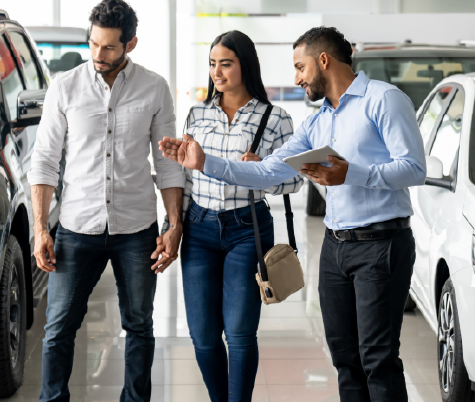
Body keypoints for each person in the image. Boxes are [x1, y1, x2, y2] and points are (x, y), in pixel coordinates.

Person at [159, 27, 427, 402]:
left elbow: (414, 168)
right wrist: (206, 163)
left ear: (323, 61)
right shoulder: (320, 121)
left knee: (377, 359)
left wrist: (352, 173)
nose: (297, 78)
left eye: (300, 67)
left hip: (381, 243)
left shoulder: (383, 100)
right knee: (345, 359)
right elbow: (270, 171)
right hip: (336, 247)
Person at [27, 0, 185, 401]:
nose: (98, 55)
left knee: (139, 325)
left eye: (109, 47)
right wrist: (40, 228)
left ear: (130, 44)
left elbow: (167, 164)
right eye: (93, 44)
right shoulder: (65, 87)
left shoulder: (154, 88)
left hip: (136, 228)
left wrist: (173, 224)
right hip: (78, 227)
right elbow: (44, 160)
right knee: (59, 327)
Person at [177, 30, 302, 402]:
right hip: (199, 227)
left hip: (247, 229)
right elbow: (185, 176)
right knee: (202, 335)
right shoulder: (197, 113)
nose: (217, 72)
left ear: (245, 65)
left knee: (240, 333)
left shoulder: (275, 117)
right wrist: (176, 225)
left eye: (226, 63)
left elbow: (294, 180)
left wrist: (264, 169)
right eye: (213, 64)